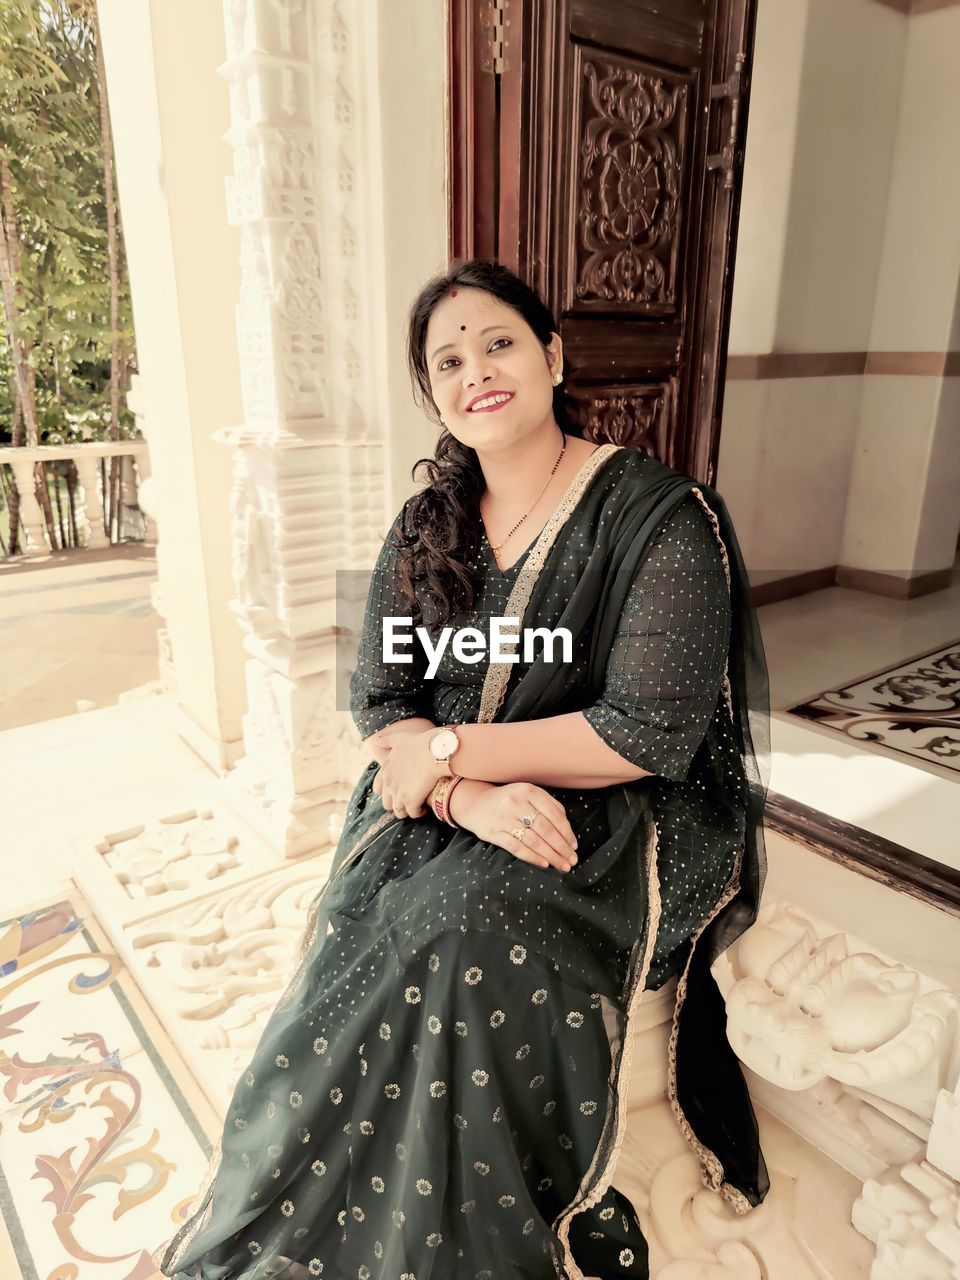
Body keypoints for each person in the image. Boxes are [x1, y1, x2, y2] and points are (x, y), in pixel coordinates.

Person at [153, 258, 771, 1280]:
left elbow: (646, 729)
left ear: (552, 356)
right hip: (453, 794)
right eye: (448, 361)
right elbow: (380, 701)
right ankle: (310, 1205)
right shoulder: (427, 522)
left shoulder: (660, 514)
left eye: (498, 343)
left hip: (619, 808)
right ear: (433, 394)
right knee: (381, 913)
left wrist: (445, 751)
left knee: (459, 924)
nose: (476, 371)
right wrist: (457, 786)